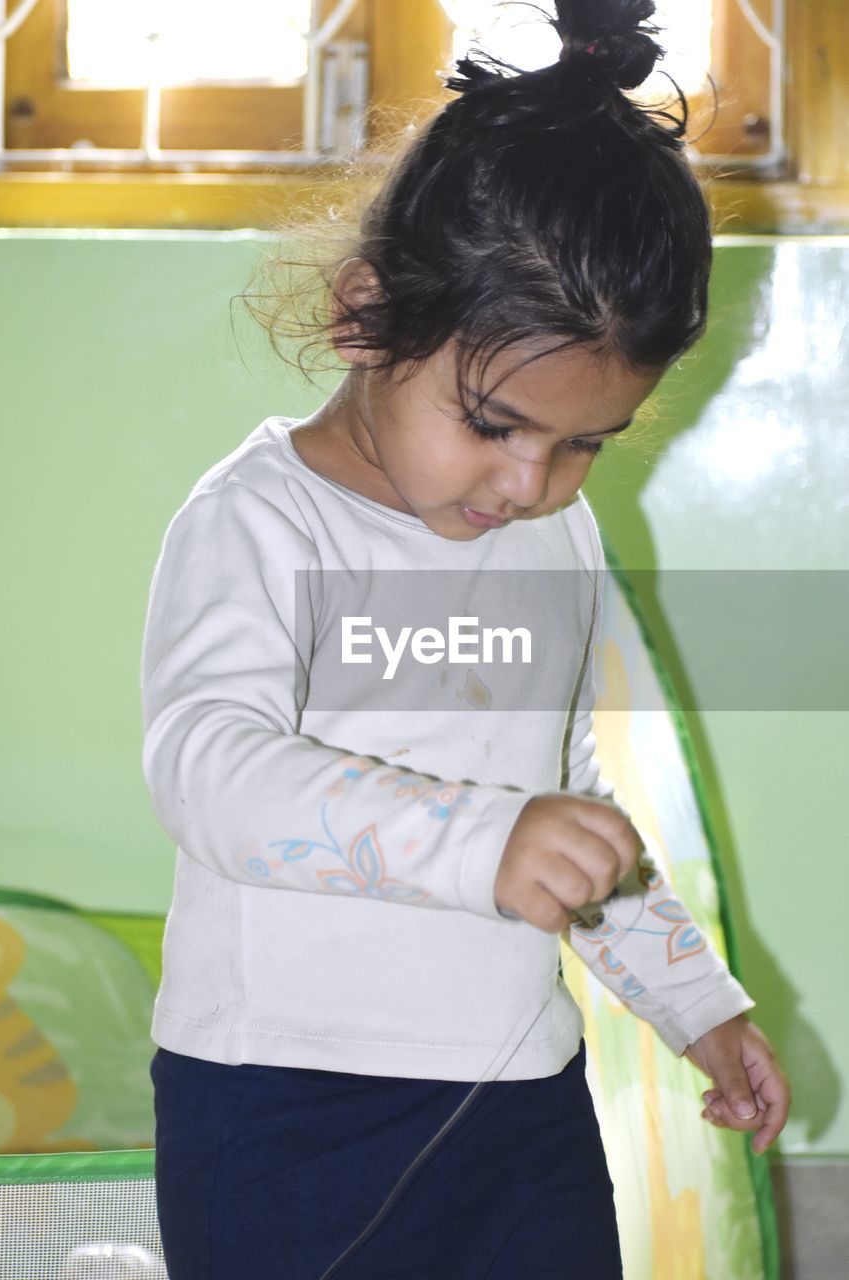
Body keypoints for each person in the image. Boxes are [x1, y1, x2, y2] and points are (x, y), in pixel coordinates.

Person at [141, 1, 791, 1276]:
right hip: (285, 1102)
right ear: (363, 314)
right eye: (495, 422)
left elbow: (568, 809)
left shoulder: (550, 533)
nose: (531, 479)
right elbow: (208, 770)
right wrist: (482, 841)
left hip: (517, 1091)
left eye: (582, 442)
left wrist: (695, 1004)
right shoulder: (260, 522)